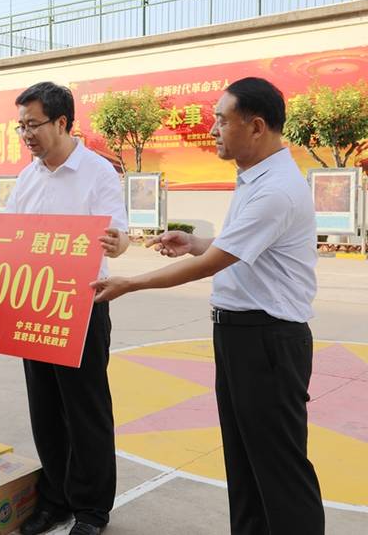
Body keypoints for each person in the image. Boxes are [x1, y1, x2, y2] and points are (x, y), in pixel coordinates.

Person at [92, 77, 325, 535]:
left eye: (222, 119)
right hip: (242, 336)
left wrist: (129, 283)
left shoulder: (274, 189)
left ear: (256, 126)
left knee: (279, 467)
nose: (213, 129)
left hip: (267, 341)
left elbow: (214, 265)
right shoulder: (256, 178)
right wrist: (198, 241)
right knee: (244, 461)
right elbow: (237, 249)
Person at [0, 82, 129, 535]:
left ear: (63, 122)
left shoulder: (98, 173)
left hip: (81, 311)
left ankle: (92, 510)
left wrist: (116, 241)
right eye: (21, 126)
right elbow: (6, 237)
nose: (26, 134)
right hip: (33, 309)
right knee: (45, 410)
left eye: (33, 124)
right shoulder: (28, 177)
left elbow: (120, 235)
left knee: (85, 411)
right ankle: (56, 498)